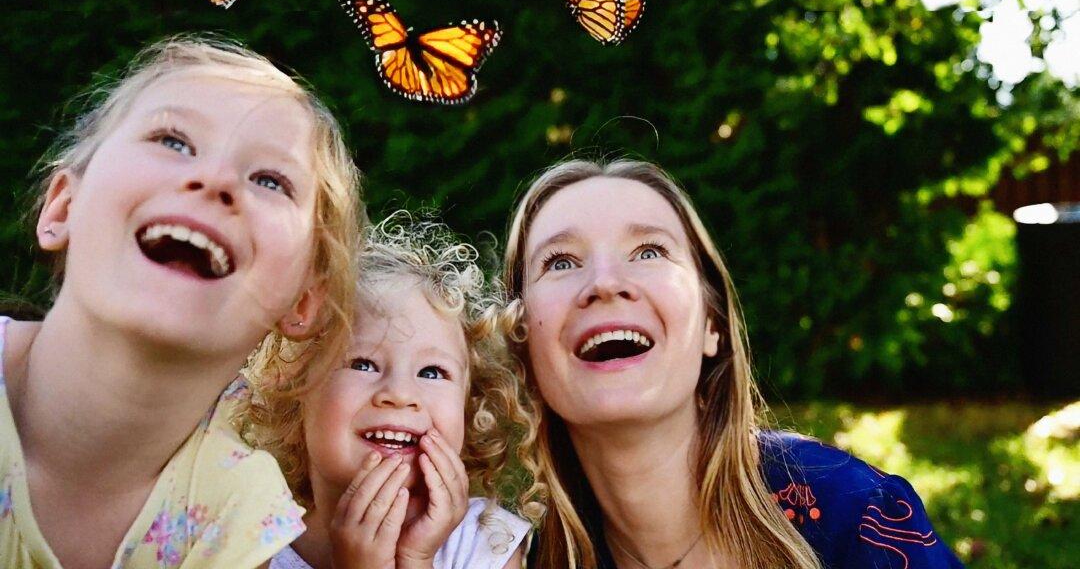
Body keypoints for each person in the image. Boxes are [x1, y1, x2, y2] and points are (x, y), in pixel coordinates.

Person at [0, 36, 363, 568]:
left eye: (268, 179)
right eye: (172, 141)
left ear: (304, 301)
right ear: (63, 208)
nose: (215, 179)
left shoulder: (237, 514)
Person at [501, 158, 964, 568]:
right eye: (560, 262)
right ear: (520, 343)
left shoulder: (854, 514)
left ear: (712, 327)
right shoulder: (517, 559)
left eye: (649, 252)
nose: (605, 282)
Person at [242, 214, 541, 569]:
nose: (400, 394)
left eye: (432, 372)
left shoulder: (487, 543)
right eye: (363, 364)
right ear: (296, 390)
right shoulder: (252, 549)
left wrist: (416, 560)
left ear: (469, 406)